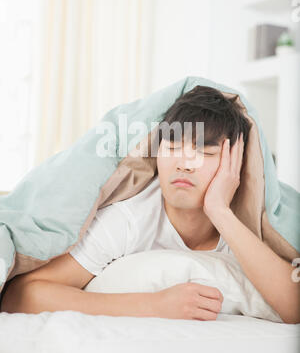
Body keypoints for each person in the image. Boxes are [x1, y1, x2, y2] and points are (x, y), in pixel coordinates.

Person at [1, 86, 299, 323]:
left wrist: (221, 213)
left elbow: (294, 307)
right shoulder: (131, 218)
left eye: (205, 152)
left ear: (237, 165)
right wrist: (154, 305)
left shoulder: (245, 221)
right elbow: (20, 295)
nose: (184, 164)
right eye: (172, 147)